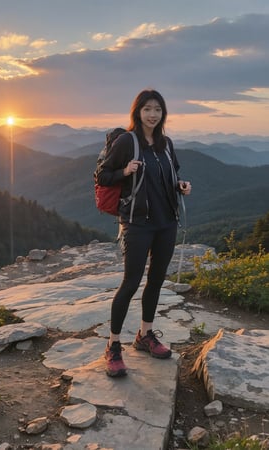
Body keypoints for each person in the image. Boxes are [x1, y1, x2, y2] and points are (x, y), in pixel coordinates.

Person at [96, 89, 191, 377]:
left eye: (158, 110)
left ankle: (145, 335)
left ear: (163, 114)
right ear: (137, 111)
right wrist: (125, 171)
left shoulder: (166, 144)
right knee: (130, 282)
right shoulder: (128, 141)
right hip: (137, 223)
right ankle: (113, 346)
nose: (152, 114)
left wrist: (181, 186)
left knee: (156, 280)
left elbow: (171, 173)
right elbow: (103, 176)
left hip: (166, 222)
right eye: (147, 109)